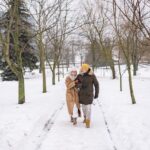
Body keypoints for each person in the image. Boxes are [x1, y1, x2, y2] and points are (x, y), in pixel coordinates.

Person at [75, 64, 99, 128]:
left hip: (89, 95)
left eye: (85, 69)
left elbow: (96, 84)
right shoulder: (79, 75)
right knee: (84, 108)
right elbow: (76, 83)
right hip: (82, 95)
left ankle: (88, 121)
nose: (83, 70)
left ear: (88, 69)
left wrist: (96, 94)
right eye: (82, 69)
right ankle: (85, 117)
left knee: (88, 108)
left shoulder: (92, 75)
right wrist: (78, 85)